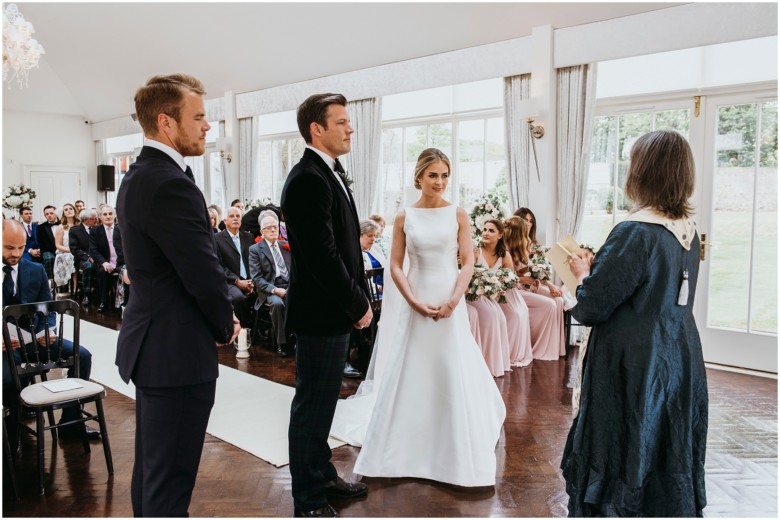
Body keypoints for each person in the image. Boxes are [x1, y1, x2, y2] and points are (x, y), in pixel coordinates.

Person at [334, 147, 506, 487]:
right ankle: (404, 443)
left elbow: (468, 261)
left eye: (444, 176)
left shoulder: (457, 214)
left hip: (448, 298)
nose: (439, 182)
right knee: (413, 365)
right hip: (417, 296)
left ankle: (451, 442)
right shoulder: (404, 217)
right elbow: (395, 264)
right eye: (433, 175)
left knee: (447, 363)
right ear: (419, 177)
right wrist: (411, 300)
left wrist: (455, 300)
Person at [561, 130, 707, 516]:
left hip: (632, 361)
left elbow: (592, 305)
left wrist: (580, 275)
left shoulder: (635, 231)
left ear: (642, 173)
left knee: (625, 440)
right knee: (660, 439)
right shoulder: (687, 235)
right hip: (676, 353)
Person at [115, 73, 240, 517]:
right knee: (170, 481)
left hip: (154, 343)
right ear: (167, 123)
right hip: (175, 350)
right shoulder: (169, 183)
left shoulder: (139, 175)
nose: (208, 127)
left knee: (153, 474)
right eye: (200, 117)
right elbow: (201, 272)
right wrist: (225, 324)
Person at [280, 93, 372, 518]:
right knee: (312, 406)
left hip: (331, 311)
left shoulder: (328, 172)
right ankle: (308, 501)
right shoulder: (307, 179)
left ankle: (322, 474)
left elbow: (346, 247)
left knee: (324, 403)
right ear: (317, 129)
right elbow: (322, 256)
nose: (350, 128)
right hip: (321, 313)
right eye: (342, 122)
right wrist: (357, 304)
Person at [2, 220, 98, 453]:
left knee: (82, 356)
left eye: (21, 248)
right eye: (8, 248)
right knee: (7, 379)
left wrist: (49, 330)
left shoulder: (34, 270)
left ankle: (69, 422)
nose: (15, 254)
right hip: (6, 346)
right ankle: (10, 433)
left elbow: (50, 309)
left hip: (35, 340)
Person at [503, 216, 565, 360]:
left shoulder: (522, 246)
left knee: (557, 300)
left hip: (522, 286)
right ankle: (539, 347)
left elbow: (521, 270)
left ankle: (553, 348)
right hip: (513, 289)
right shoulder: (504, 249)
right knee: (549, 305)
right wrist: (525, 279)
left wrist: (537, 272)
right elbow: (507, 276)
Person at [475, 218, 533, 369]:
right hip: (475, 293)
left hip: (495, 293)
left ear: (500, 235)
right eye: (485, 229)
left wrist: (498, 286)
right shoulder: (476, 250)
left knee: (509, 314)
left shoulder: (504, 254)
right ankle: (484, 360)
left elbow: (511, 278)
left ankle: (500, 359)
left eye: (491, 230)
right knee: (494, 315)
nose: (486, 233)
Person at [248, 214, 292, 356]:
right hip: (270, 288)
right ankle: (282, 343)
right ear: (262, 232)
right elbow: (257, 278)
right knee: (277, 304)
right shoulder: (255, 250)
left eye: (275, 227)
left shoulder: (285, 246)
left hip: (289, 285)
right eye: (269, 228)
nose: (273, 230)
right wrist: (275, 289)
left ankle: (301, 338)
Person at [215, 206, 255, 328]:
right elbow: (219, 266)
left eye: (238, 216)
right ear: (225, 221)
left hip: (250, 279)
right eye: (231, 216)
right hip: (230, 281)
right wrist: (237, 281)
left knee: (264, 294)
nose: (235, 219)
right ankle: (244, 330)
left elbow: (254, 261)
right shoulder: (217, 239)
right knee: (238, 298)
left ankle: (257, 329)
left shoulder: (248, 237)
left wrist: (252, 282)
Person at [89, 205, 123, 313]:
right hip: (104, 262)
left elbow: (129, 247)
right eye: (105, 214)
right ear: (100, 217)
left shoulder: (122, 229)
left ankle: (122, 302)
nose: (108, 216)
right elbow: (93, 250)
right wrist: (104, 263)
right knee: (102, 272)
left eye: (110, 214)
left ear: (115, 215)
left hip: (120, 262)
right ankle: (103, 301)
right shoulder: (95, 231)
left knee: (126, 271)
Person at [70, 208, 98, 306]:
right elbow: (74, 249)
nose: (96, 220)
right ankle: (87, 294)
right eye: (94, 219)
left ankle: (101, 294)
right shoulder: (75, 230)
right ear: (86, 220)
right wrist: (88, 256)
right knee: (89, 266)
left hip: (98, 256)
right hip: (82, 258)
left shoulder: (98, 229)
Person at [53, 203, 79, 293]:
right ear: (63, 213)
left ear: (74, 210)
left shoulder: (80, 225)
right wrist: (71, 250)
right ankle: (73, 288)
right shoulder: (61, 227)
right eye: (66, 209)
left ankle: (78, 287)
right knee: (70, 257)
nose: (69, 210)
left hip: (79, 251)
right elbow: (58, 245)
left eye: (70, 208)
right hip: (65, 252)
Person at [36, 204, 59, 280]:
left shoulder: (63, 224)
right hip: (49, 251)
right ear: (44, 215)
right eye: (47, 214)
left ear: (56, 213)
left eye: (51, 213)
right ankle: (50, 282)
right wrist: (56, 250)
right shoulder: (40, 227)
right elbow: (41, 244)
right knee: (48, 258)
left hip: (64, 249)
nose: (49, 215)